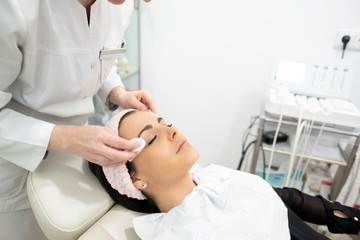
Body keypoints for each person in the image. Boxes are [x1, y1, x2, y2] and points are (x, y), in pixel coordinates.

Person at [0, 0, 154, 239]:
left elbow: (96, 54)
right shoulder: (15, 7)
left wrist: (118, 92)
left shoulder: (120, 6)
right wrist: (66, 137)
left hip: (73, 167)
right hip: (13, 165)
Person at [89, 109, 360, 240]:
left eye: (166, 123)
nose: (173, 131)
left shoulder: (215, 178)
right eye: (150, 139)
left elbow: (281, 199)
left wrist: (348, 217)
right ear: (134, 179)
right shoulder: (181, 233)